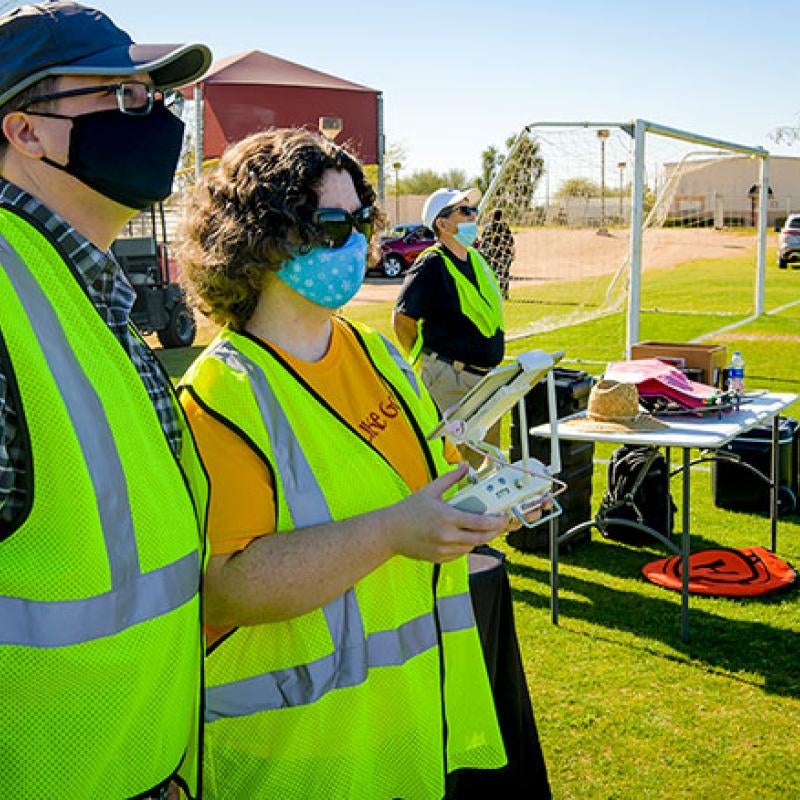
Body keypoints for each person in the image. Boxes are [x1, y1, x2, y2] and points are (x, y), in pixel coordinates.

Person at [177, 128, 513, 799]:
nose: (358, 242)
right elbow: (227, 587)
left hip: (405, 732)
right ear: (260, 237)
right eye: (333, 224)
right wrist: (394, 532)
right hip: (296, 761)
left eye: (363, 220)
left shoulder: (378, 353)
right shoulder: (221, 395)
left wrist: (477, 504)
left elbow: (427, 484)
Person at [0, 4, 211, 797]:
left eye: (155, 98)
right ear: (25, 132)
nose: (153, 118)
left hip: (140, 764)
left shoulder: (88, 289)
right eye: (121, 98)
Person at [393, 187, 505, 468]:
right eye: (464, 211)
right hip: (451, 380)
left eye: (473, 210)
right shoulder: (432, 263)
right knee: (453, 468)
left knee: (487, 468)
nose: (473, 215)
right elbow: (402, 319)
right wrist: (431, 362)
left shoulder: (476, 260)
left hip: (485, 380)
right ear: (442, 224)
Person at [478, 208, 515, 300]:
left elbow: (483, 242)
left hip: (491, 255)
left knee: (491, 275)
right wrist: (512, 253)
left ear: (492, 216)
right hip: (504, 255)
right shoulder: (505, 227)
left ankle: (492, 294)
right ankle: (504, 294)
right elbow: (511, 242)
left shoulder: (488, 227)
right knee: (504, 275)